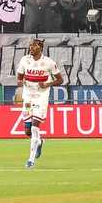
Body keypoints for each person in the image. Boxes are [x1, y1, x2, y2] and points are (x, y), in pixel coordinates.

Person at [16, 38, 64, 167]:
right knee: (27, 131)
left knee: (34, 127)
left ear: (40, 48)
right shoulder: (25, 60)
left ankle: (30, 160)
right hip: (28, 97)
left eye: (34, 46)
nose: (31, 48)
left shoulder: (48, 63)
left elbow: (60, 80)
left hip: (41, 97)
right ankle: (39, 141)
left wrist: (48, 84)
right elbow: (20, 76)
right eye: (31, 46)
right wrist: (20, 82)